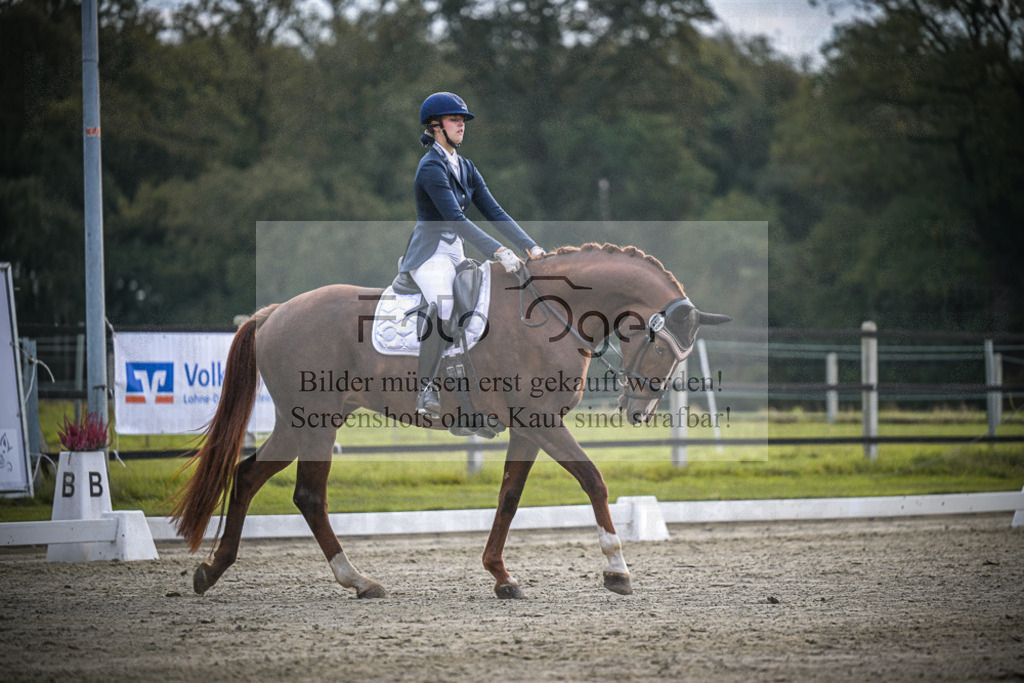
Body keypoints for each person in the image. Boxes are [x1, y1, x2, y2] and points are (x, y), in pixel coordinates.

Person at [401, 91, 544, 418]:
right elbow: (456, 219)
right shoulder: (430, 168)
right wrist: (497, 250)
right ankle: (426, 389)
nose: (462, 125)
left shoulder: (465, 167)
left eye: (463, 120)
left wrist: (530, 246)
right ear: (436, 126)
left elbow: (494, 211)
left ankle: (471, 386)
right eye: (454, 120)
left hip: (455, 251)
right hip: (429, 253)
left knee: (485, 303)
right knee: (445, 302)